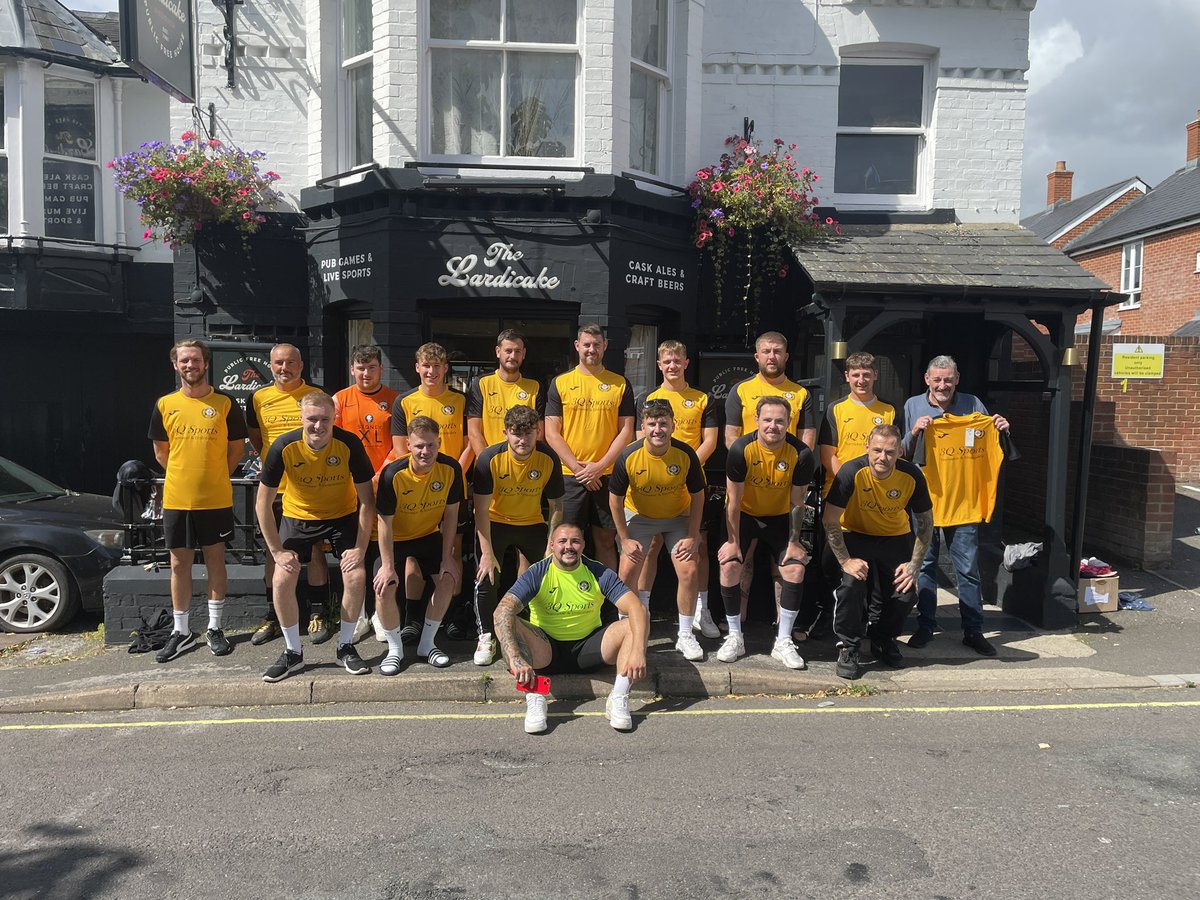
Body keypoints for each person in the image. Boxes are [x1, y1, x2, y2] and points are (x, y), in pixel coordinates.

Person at [255, 392, 376, 682]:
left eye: (325, 419)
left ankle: (345, 646)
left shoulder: (349, 444)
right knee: (282, 577)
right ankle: (292, 652)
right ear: (301, 418)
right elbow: (262, 503)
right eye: (312, 419)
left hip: (341, 515)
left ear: (334, 418)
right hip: (298, 516)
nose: (318, 426)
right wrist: (277, 552)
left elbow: (367, 502)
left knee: (356, 574)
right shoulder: (283, 446)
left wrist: (359, 548)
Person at [494, 522, 649, 733]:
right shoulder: (537, 572)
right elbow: (501, 611)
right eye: (562, 541)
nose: (569, 547)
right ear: (552, 545)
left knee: (635, 619)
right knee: (508, 620)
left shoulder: (598, 572)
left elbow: (636, 608)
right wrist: (515, 659)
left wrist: (638, 652)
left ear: (583, 545)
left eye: (575, 541)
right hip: (546, 650)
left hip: (589, 649)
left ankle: (619, 697)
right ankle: (535, 696)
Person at [902, 355, 1010, 657]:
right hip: (925, 502)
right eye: (937, 379)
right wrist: (914, 432)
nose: (942, 385)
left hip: (964, 502)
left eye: (948, 379)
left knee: (968, 570)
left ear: (957, 379)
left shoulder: (974, 406)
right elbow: (901, 453)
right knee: (924, 567)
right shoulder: (913, 406)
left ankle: (973, 631)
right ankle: (925, 627)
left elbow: (990, 448)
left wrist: (1000, 429)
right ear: (927, 379)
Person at [147, 339, 247, 661]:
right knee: (179, 564)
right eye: (184, 361)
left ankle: (215, 628)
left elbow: (236, 451)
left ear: (206, 364)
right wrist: (185, 473)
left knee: (216, 561)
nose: (190, 366)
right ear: (176, 366)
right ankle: (182, 630)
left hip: (215, 498)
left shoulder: (226, 403)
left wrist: (214, 474)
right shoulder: (165, 404)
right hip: (177, 499)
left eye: (196, 360)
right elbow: (162, 452)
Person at [823, 424, 933, 680]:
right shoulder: (852, 471)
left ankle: (882, 638)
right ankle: (848, 647)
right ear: (867, 449)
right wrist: (846, 561)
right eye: (877, 450)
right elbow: (830, 520)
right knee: (851, 585)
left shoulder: (912, 475)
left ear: (899, 452)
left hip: (894, 538)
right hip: (855, 534)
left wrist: (914, 566)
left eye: (890, 452)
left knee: (905, 592)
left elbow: (926, 524)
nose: (882, 457)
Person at [717, 396, 816, 668]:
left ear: (789, 423)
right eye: (768, 420)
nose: (773, 426)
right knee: (729, 565)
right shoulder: (740, 449)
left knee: (795, 569)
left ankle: (783, 641)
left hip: (780, 518)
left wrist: (795, 541)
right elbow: (733, 502)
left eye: (780, 421)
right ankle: (735, 636)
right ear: (757, 421)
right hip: (746, 516)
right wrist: (734, 542)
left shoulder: (801, 454)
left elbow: (798, 502)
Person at [245, 343, 330, 645]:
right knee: (274, 552)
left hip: (311, 487)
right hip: (276, 490)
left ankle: (319, 612)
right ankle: (273, 614)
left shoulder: (317, 395)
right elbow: (258, 439)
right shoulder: (257, 398)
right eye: (279, 363)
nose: (285, 368)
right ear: (271, 366)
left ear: (301, 365)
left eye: (291, 362)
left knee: (316, 550)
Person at [609, 399, 706, 660]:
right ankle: (628, 627)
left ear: (673, 425)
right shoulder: (629, 455)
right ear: (643, 426)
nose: (658, 429)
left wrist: (693, 534)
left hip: (677, 516)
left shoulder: (685, 454)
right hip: (640, 516)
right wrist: (625, 539)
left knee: (689, 568)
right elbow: (614, 500)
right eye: (652, 424)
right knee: (627, 569)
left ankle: (685, 634)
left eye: (663, 423)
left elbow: (698, 495)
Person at [640, 340, 721, 639]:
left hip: (691, 485)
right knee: (650, 547)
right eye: (667, 361)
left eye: (677, 360)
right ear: (659, 365)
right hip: (654, 485)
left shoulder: (702, 398)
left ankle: (702, 611)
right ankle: (643, 610)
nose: (672, 365)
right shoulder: (648, 399)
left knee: (697, 548)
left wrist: (685, 471)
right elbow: (642, 440)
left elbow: (710, 440)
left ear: (686, 363)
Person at [391, 342, 472, 640]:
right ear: (417, 367)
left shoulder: (462, 400)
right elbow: (401, 449)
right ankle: (413, 617)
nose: (431, 371)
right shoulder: (405, 401)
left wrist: (453, 475)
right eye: (426, 365)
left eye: (437, 366)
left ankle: (451, 617)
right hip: (416, 492)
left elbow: (470, 443)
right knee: (413, 556)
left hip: (454, 487)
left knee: (453, 551)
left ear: (445, 368)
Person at [473, 405, 564, 667]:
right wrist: (487, 553)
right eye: (516, 434)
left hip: (531, 521)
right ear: (505, 433)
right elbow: (480, 510)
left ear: (538, 432)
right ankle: (487, 636)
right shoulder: (489, 458)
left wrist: (551, 544)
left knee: (541, 577)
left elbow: (557, 506)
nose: (522, 440)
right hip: (495, 521)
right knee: (487, 576)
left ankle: (533, 632)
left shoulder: (548, 457)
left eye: (528, 434)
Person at [372, 416, 464, 672]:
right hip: (396, 538)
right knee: (385, 587)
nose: (426, 452)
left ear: (439, 443)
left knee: (448, 578)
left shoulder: (451, 468)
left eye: (431, 445)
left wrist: (448, 557)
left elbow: (451, 515)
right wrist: (388, 566)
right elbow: (384, 523)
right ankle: (394, 650)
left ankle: (427, 644)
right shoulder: (393, 473)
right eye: (420, 446)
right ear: (409, 445)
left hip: (427, 535)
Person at [544, 324, 636, 571]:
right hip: (570, 476)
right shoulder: (561, 383)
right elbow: (552, 433)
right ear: (577, 346)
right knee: (566, 541)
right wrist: (579, 469)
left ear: (605, 346)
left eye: (597, 344)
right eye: (586, 344)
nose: (591, 349)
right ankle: (562, 600)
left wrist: (600, 467)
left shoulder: (620, 384)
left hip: (607, 476)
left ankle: (607, 604)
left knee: (606, 540)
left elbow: (626, 431)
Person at [332, 343, 400, 643]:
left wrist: (379, 474)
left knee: (382, 553)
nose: (366, 373)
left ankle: (381, 616)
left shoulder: (395, 401)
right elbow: (332, 442)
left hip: (382, 485)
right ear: (352, 369)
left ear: (381, 369)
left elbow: (400, 444)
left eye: (372, 367)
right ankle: (357, 616)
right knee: (353, 553)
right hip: (350, 490)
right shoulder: (340, 400)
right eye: (360, 368)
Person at [818, 352, 896, 497]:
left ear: (875, 375)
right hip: (841, 488)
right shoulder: (835, 409)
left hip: (878, 490)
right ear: (847, 376)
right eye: (856, 375)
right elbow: (827, 456)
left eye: (866, 374)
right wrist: (851, 482)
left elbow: (896, 453)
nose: (861, 380)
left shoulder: (889, 410)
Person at [724, 331, 817, 450]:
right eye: (766, 351)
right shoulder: (740, 390)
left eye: (777, 351)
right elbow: (731, 435)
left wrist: (799, 463)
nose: (771, 357)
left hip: (788, 465)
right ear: (757, 357)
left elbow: (807, 437)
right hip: (750, 463)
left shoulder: (801, 393)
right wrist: (743, 460)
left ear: (786, 357)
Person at [466, 329, 545, 456]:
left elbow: (539, 433)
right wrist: (488, 463)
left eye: (517, 351)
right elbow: (474, 433)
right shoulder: (481, 384)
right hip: (490, 467)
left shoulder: (535, 387)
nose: (513, 356)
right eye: (508, 351)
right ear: (498, 352)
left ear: (523, 354)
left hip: (524, 465)